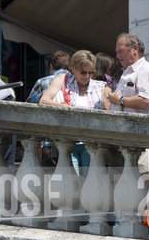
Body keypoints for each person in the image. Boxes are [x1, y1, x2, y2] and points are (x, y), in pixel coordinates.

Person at [40, 50, 111, 178]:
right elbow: (44, 101)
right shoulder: (62, 80)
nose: (87, 76)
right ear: (73, 69)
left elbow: (108, 114)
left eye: (91, 72)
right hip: (68, 142)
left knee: (87, 182)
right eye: (83, 72)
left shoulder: (100, 87)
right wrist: (65, 107)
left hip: (90, 144)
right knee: (72, 182)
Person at [108, 33, 149, 115]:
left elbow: (146, 101)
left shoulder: (147, 71)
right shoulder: (127, 72)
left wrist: (120, 100)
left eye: (121, 51)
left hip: (141, 126)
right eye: (117, 52)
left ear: (135, 48)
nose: (117, 56)